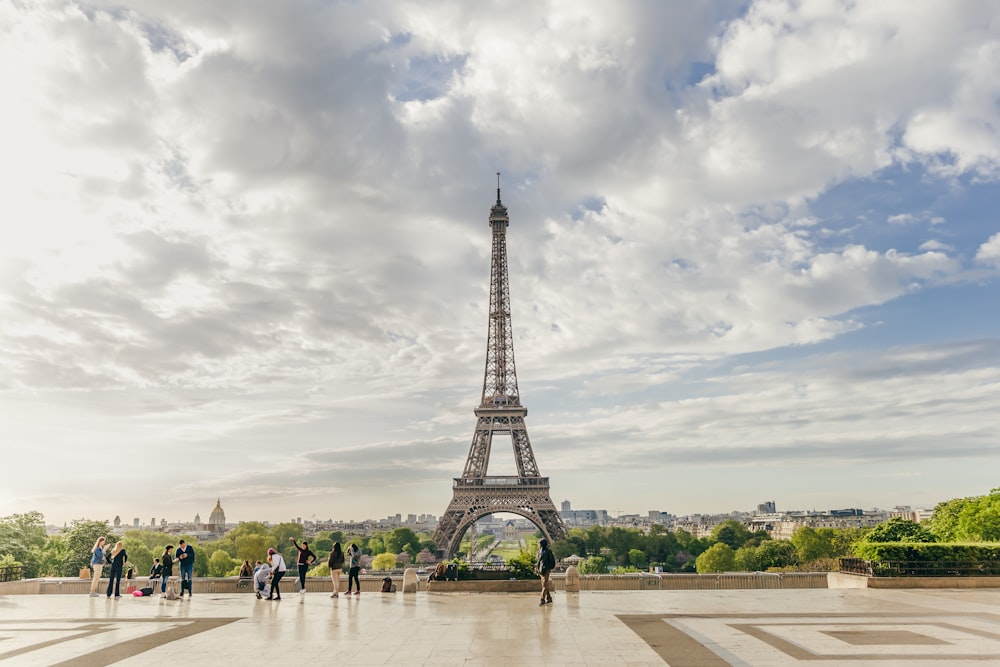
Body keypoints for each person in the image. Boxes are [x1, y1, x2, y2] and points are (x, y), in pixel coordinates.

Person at [535, 538, 555, 606]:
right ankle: (549, 598)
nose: (539, 545)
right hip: (541, 570)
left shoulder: (548, 551)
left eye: (540, 544)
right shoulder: (540, 551)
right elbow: (538, 561)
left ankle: (542, 599)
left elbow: (552, 561)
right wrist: (537, 569)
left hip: (546, 569)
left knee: (544, 584)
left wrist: (547, 567)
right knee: (545, 584)